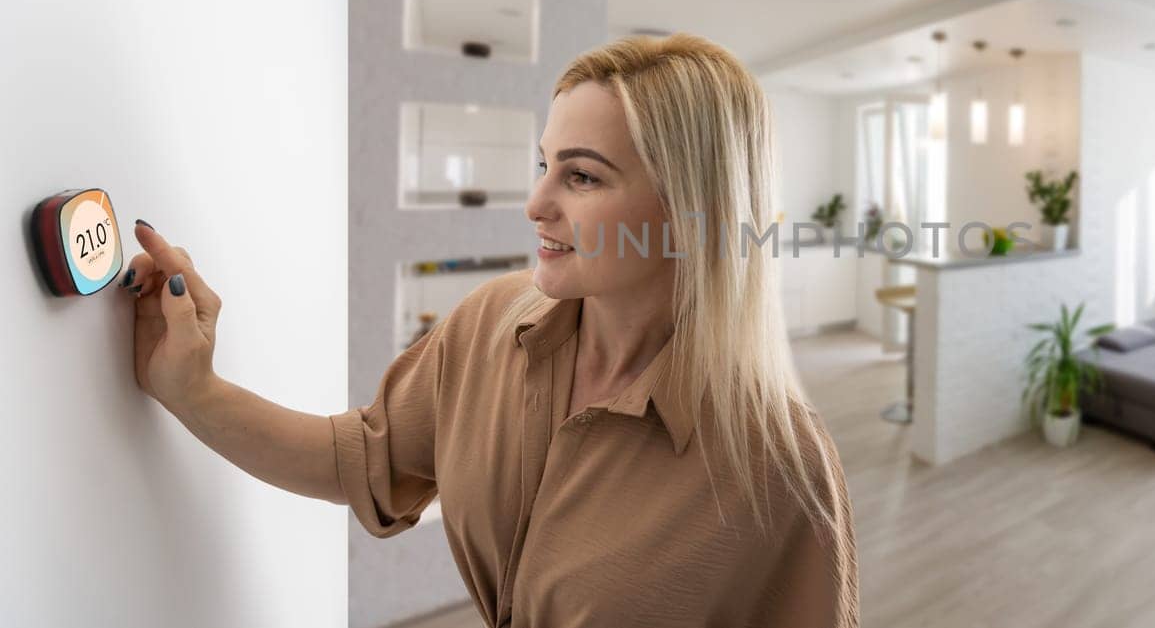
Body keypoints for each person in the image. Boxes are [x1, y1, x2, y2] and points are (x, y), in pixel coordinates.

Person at [120, 34, 859, 627]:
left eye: (583, 176)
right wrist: (192, 389)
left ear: (689, 213)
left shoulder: (781, 462)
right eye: (543, 164)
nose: (536, 201)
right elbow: (359, 460)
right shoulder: (489, 326)